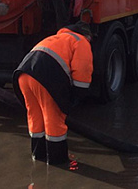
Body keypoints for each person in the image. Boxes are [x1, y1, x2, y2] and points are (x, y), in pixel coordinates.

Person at [13, 22, 94, 164]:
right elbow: (82, 70)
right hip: (46, 78)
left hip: (23, 75)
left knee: (36, 116)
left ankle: (38, 157)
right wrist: (77, 96)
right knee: (54, 119)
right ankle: (57, 162)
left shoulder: (55, 39)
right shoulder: (81, 41)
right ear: (86, 35)